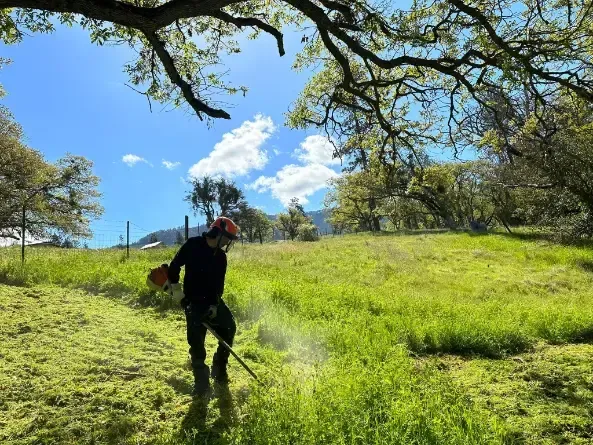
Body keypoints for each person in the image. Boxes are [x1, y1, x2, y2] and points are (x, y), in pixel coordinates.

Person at [166, 216, 240, 396]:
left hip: (211, 299)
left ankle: (219, 367)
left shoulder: (221, 258)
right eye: (227, 238)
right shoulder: (193, 245)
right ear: (218, 233)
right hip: (192, 300)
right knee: (196, 340)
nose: (228, 243)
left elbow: (219, 285)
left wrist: (215, 305)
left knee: (229, 327)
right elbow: (174, 266)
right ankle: (201, 379)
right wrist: (177, 290)